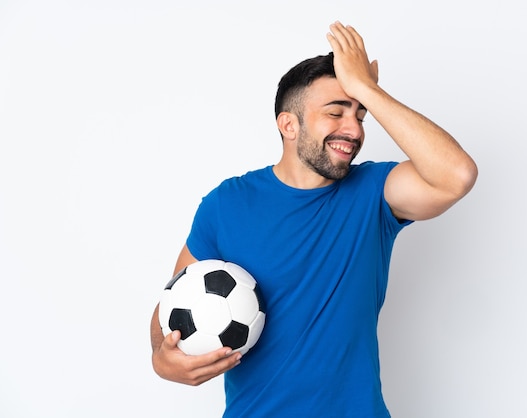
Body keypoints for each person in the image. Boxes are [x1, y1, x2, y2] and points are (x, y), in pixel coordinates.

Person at [150, 21, 477, 417]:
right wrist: (161, 358)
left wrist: (367, 89)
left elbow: (455, 175)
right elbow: (173, 303)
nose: (353, 129)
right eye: (336, 112)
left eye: (360, 115)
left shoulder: (374, 192)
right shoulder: (227, 204)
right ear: (289, 125)